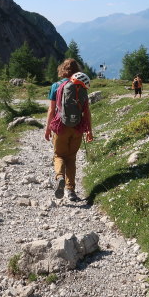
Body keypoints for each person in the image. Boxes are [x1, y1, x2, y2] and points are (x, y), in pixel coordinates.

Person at [44, 58, 93, 201]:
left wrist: (47, 129)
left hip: (61, 127)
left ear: (62, 69)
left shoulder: (56, 86)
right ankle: (70, 190)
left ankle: (59, 177)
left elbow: (51, 109)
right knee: (71, 158)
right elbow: (86, 111)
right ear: (77, 71)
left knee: (59, 155)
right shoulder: (81, 85)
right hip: (77, 127)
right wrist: (89, 130)